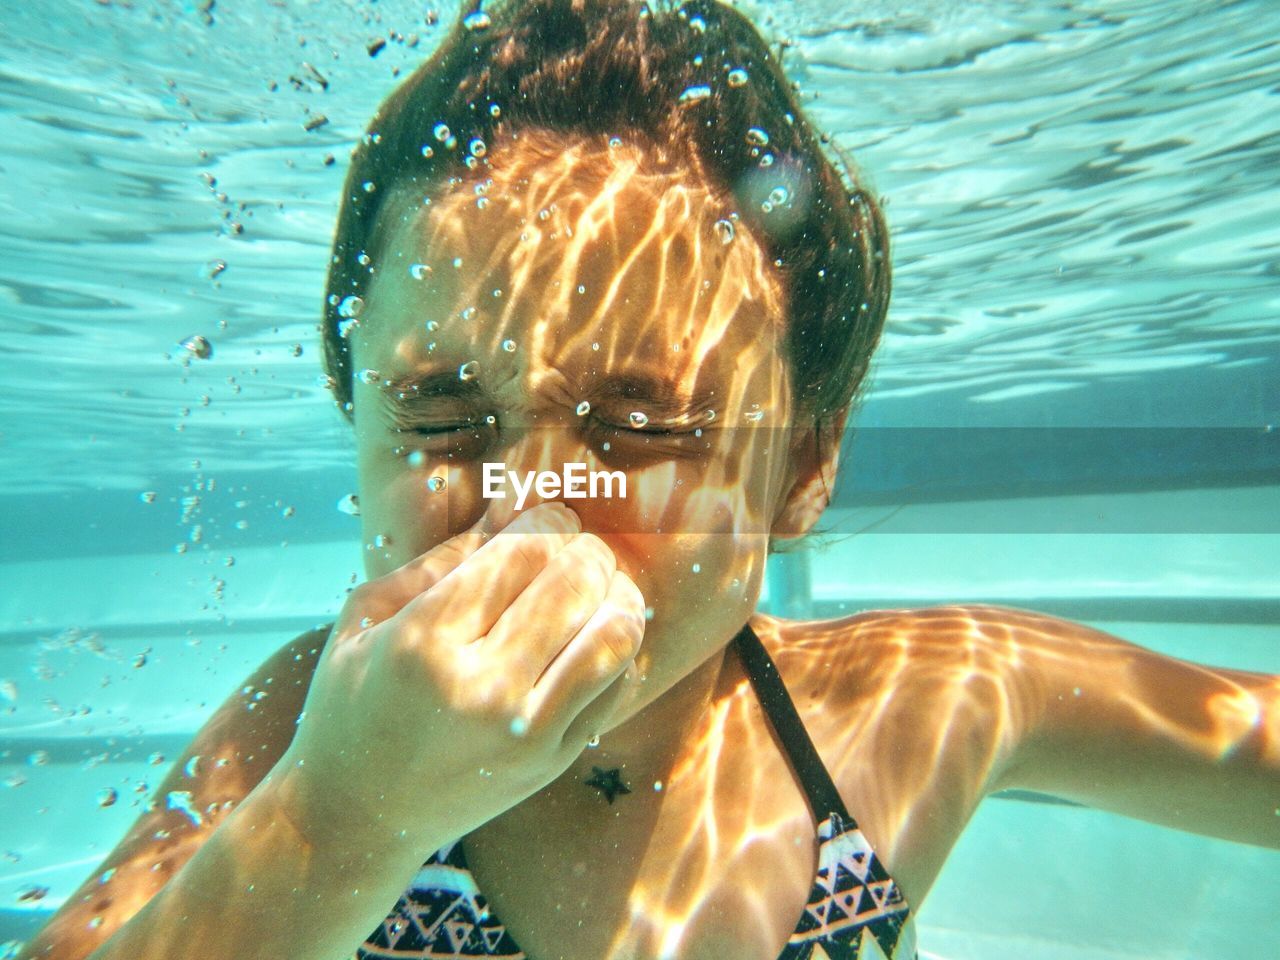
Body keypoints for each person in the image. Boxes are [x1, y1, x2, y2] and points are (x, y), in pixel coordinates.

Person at [20, 1, 1278, 958]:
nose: (529, 507)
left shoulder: (908, 706)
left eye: (637, 428)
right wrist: (345, 816)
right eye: (445, 417)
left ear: (800, 468)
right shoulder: (307, 732)